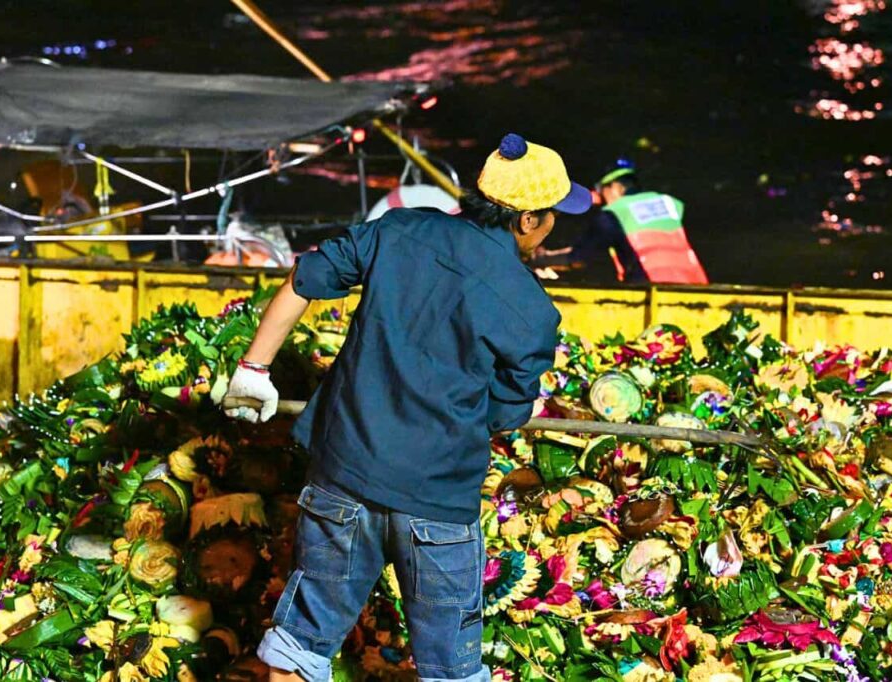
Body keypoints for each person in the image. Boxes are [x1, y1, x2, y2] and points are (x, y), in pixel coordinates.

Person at [222, 132, 591, 682]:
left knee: (297, 652)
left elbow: (305, 277)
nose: (554, 224)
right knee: (451, 673)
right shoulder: (532, 311)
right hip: (437, 504)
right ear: (527, 220)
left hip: (344, 477)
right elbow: (506, 412)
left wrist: (253, 370)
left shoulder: (399, 231)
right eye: (554, 214)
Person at [536, 159, 708, 284]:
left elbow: (578, 257)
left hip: (650, 289)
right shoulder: (669, 203)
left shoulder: (614, 214)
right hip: (695, 286)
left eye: (602, 191)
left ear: (616, 187)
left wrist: (541, 260)